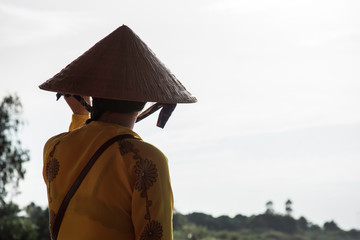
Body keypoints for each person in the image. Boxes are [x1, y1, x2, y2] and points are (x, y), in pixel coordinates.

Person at [40, 25, 196, 240]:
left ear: (94, 96)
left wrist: (80, 115)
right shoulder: (146, 160)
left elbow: (84, 151)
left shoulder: (54, 148)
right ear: (145, 101)